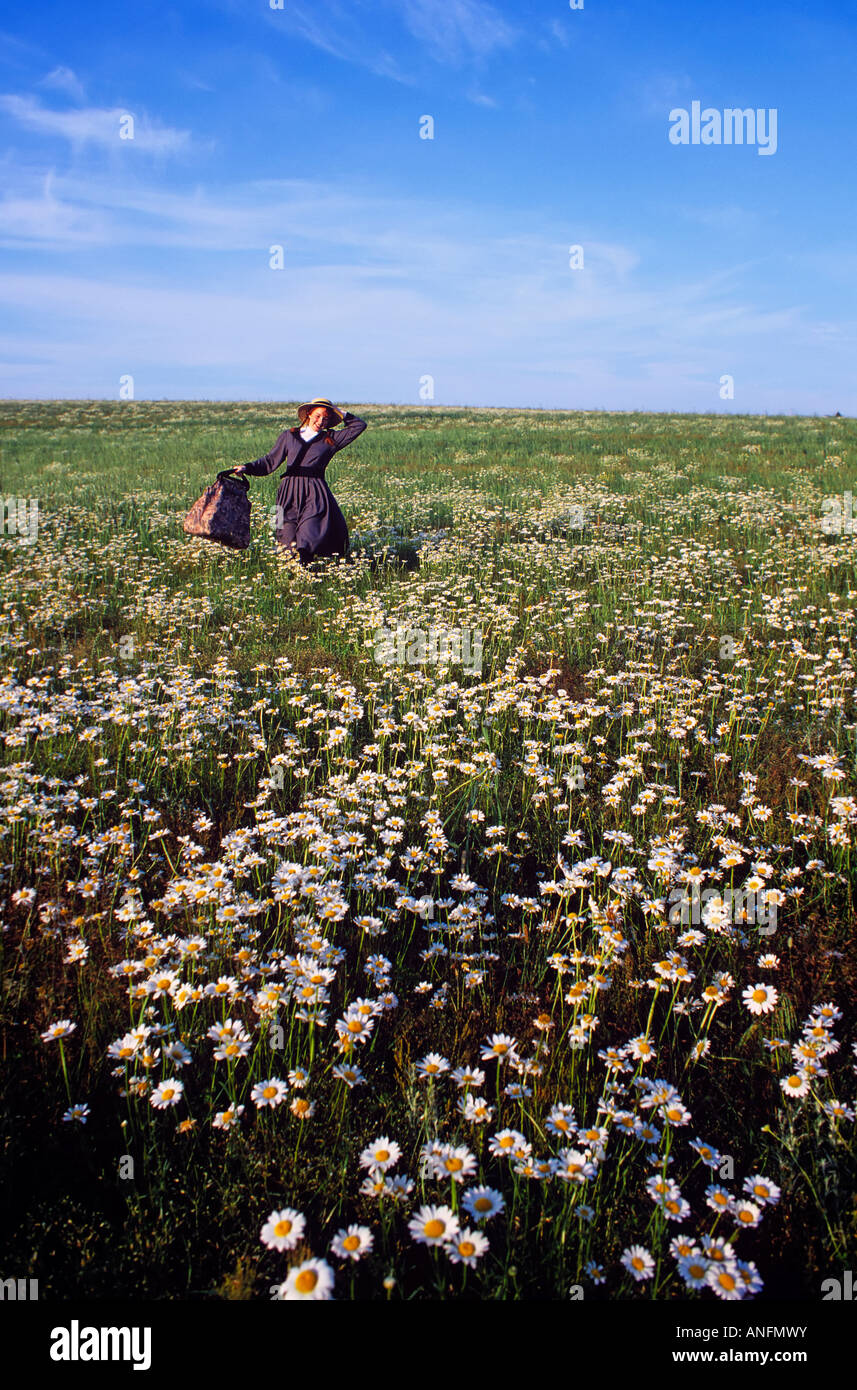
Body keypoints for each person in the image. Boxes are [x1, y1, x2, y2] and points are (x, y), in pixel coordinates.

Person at [234, 397, 366, 563]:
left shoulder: (331, 438)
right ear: (309, 414)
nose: (321, 421)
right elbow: (269, 461)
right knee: (284, 533)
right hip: (287, 491)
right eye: (318, 415)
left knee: (310, 534)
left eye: (326, 418)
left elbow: (359, 425)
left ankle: (307, 567)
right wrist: (247, 468)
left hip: (315, 492)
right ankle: (292, 575)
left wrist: (337, 410)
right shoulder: (289, 435)